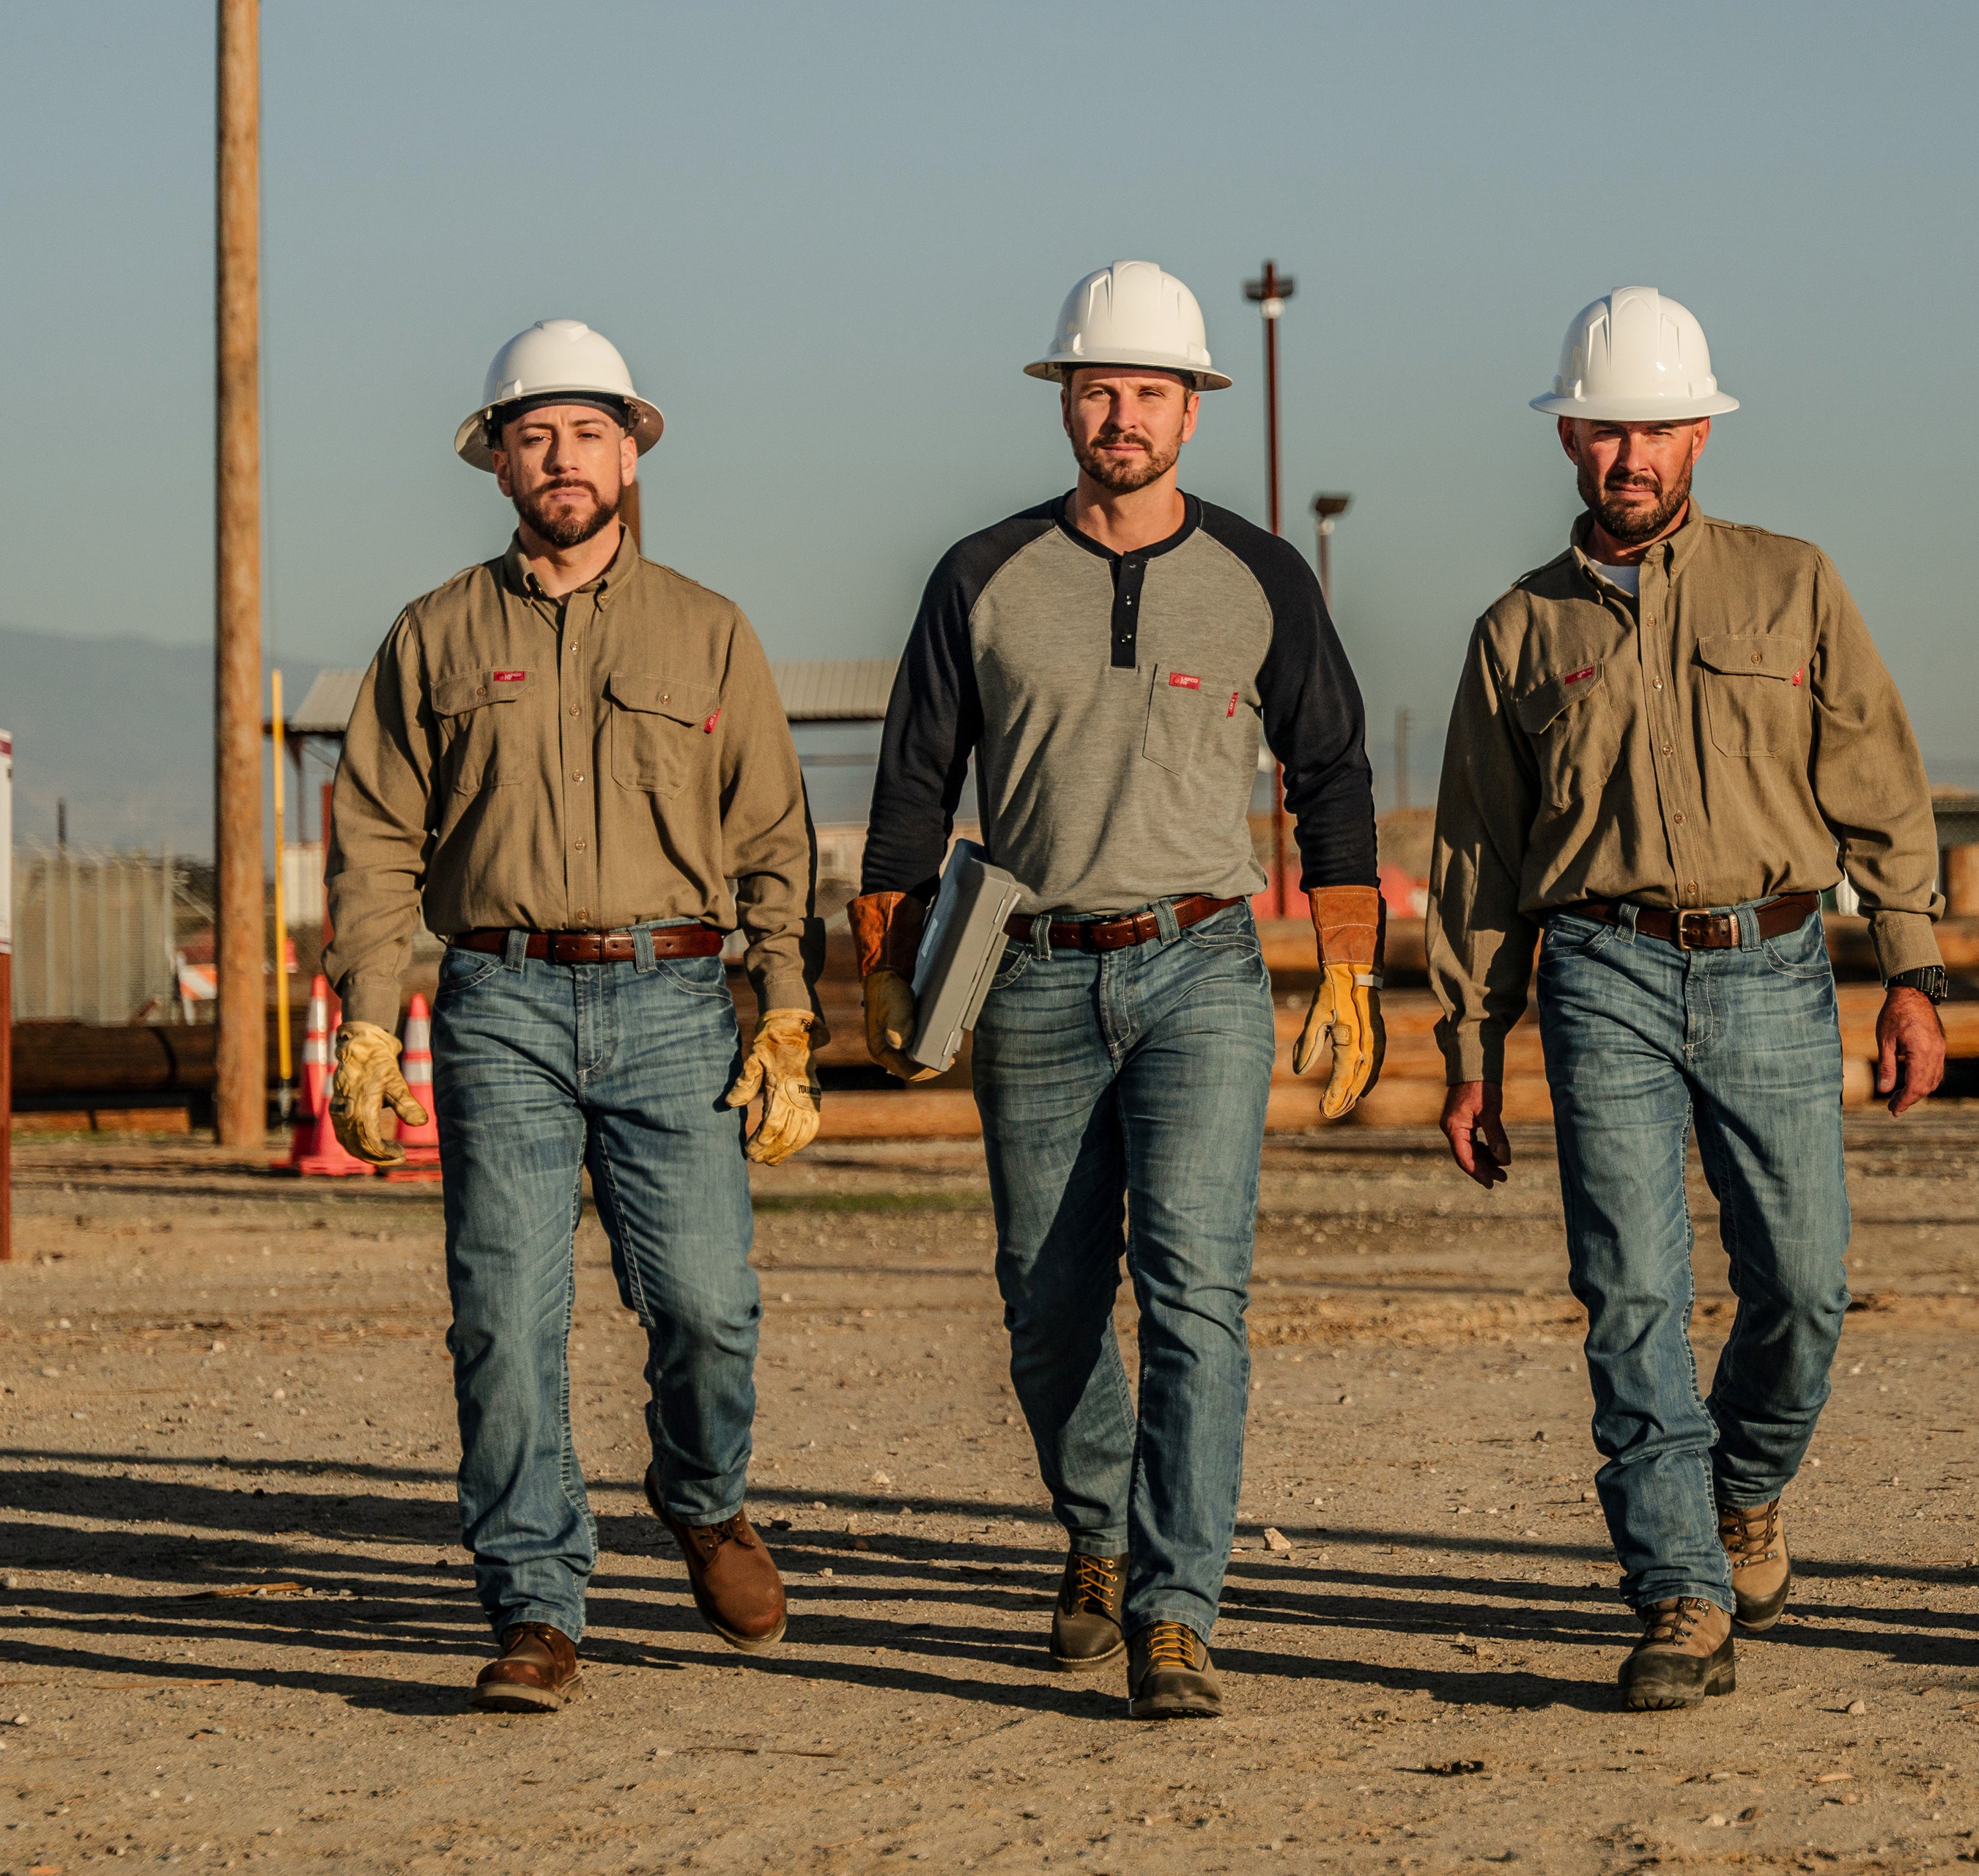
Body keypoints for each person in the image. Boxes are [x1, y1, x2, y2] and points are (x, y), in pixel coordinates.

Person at [848, 261, 1383, 1721]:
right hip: (1026, 972)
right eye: (1100, 388)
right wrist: (892, 960)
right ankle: (1095, 1527)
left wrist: (1348, 958)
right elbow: (915, 774)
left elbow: (1331, 766)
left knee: (1198, 1287)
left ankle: (1175, 1605)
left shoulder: (1265, 577)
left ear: (1194, 411)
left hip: (1203, 961)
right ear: (1065, 401)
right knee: (1047, 1296)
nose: (1123, 413)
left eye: (1151, 391)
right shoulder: (980, 574)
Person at [1427, 287, 1947, 1712]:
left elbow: (1880, 784)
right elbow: (1476, 856)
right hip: (1600, 970)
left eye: (1658, 427)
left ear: (1703, 431)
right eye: (1606, 429)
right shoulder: (1518, 632)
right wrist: (1469, 1042)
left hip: (1776, 959)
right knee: (1633, 1289)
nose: (1631, 455)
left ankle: (1744, 1488)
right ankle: (1676, 1588)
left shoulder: (1794, 584)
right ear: (1571, 436)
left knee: (1804, 1279)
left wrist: (1911, 969)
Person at [326, 319, 824, 1713]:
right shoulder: (433, 637)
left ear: (631, 451)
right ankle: (537, 1604)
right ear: (495, 463)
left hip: (675, 997)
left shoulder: (708, 631)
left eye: (586, 433)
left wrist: (783, 1010)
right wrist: (375, 1016)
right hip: (501, 1002)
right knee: (503, 1318)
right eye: (532, 435)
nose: (561, 458)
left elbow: (773, 837)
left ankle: (704, 1498)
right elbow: (373, 840)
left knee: (709, 1307)